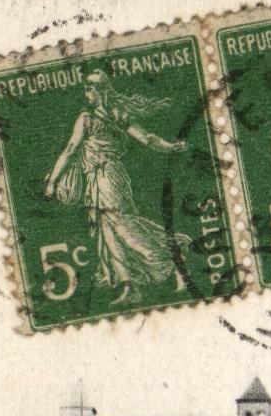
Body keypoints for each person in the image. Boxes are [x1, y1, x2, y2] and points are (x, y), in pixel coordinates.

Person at [44, 70, 189, 306]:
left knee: (123, 225)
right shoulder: (91, 117)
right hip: (94, 179)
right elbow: (71, 149)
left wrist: (171, 148)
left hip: (110, 177)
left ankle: (175, 264)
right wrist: (53, 180)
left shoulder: (105, 116)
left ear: (100, 91)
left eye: (89, 89)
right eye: (85, 89)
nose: (86, 94)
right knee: (107, 230)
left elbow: (146, 138)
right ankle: (128, 285)